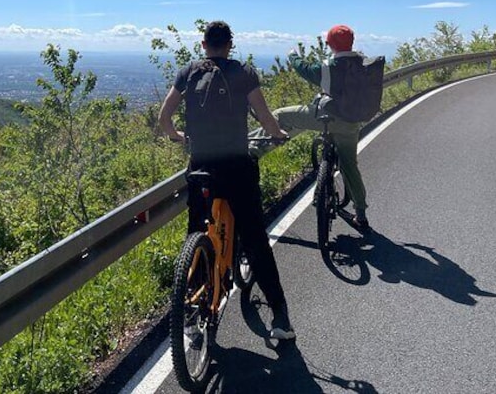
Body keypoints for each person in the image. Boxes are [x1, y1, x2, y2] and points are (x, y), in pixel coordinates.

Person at [158, 20, 296, 340]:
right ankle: (280, 317)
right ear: (230, 45)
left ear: (204, 45)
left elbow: (164, 119)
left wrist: (179, 137)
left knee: (196, 232)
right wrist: (278, 134)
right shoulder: (244, 72)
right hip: (236, 167)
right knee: (255, 238)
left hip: (201, 165)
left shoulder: (188, 71)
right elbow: (264, 116)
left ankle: (191, 315)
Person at [273, 24, 371, 232]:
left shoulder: (327, 66)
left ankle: (253, 152)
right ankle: (361, 213)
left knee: (279, 115)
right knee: (350, 166)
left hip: (325, 118)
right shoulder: (364, 64)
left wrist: (292, 56)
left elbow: (305, 70)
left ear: (330, 44)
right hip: (352, 123)